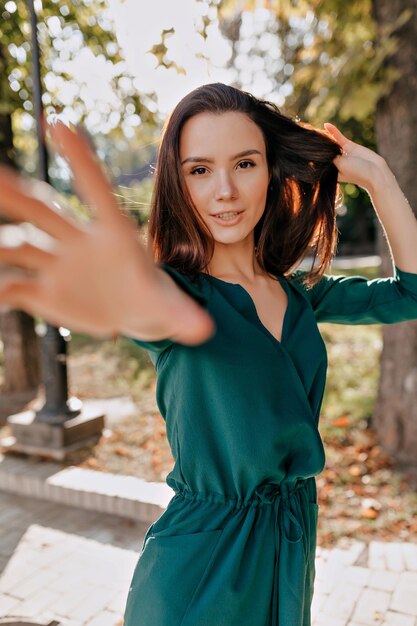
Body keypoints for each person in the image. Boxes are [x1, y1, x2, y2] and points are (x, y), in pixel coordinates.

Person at [1, 83, 417, 626]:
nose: (224, 190)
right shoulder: (178, 295)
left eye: (244, 163)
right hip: (199, 574)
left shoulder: (300, 294)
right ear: (179, 184)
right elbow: (153, 309)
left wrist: (379, 178)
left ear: (271, 170)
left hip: (289, 548)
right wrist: (128, 297)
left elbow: (410, 291)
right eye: (199, 170)